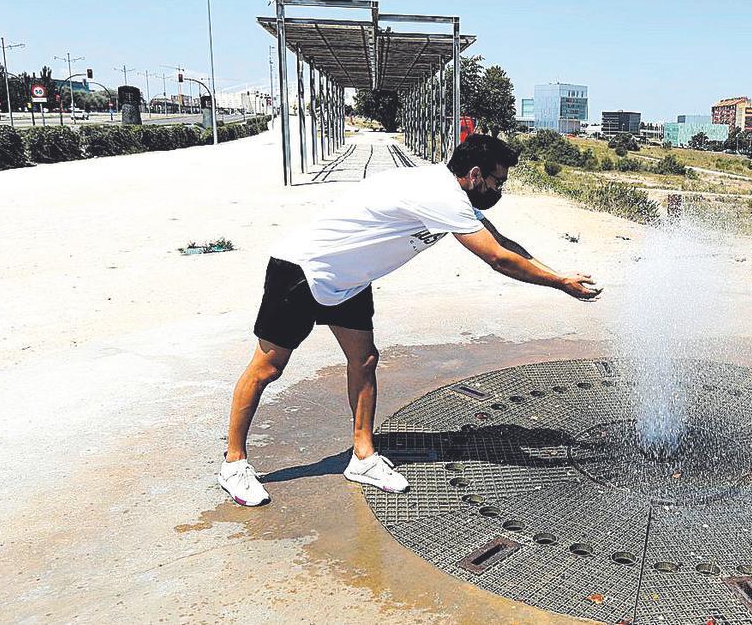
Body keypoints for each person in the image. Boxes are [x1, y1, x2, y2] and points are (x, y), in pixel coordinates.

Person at [218, 135, 602, 506]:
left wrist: (560, 275)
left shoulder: (449, 192)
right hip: (304, 270)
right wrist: (558, 284)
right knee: (267, 368)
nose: (500, 189)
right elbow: (497, 258)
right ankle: (233, 464)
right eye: (497, 181)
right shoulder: (442, 196)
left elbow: (503, 243)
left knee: (365, 359)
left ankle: (363, 457)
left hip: (350, 281)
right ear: (473, 174)